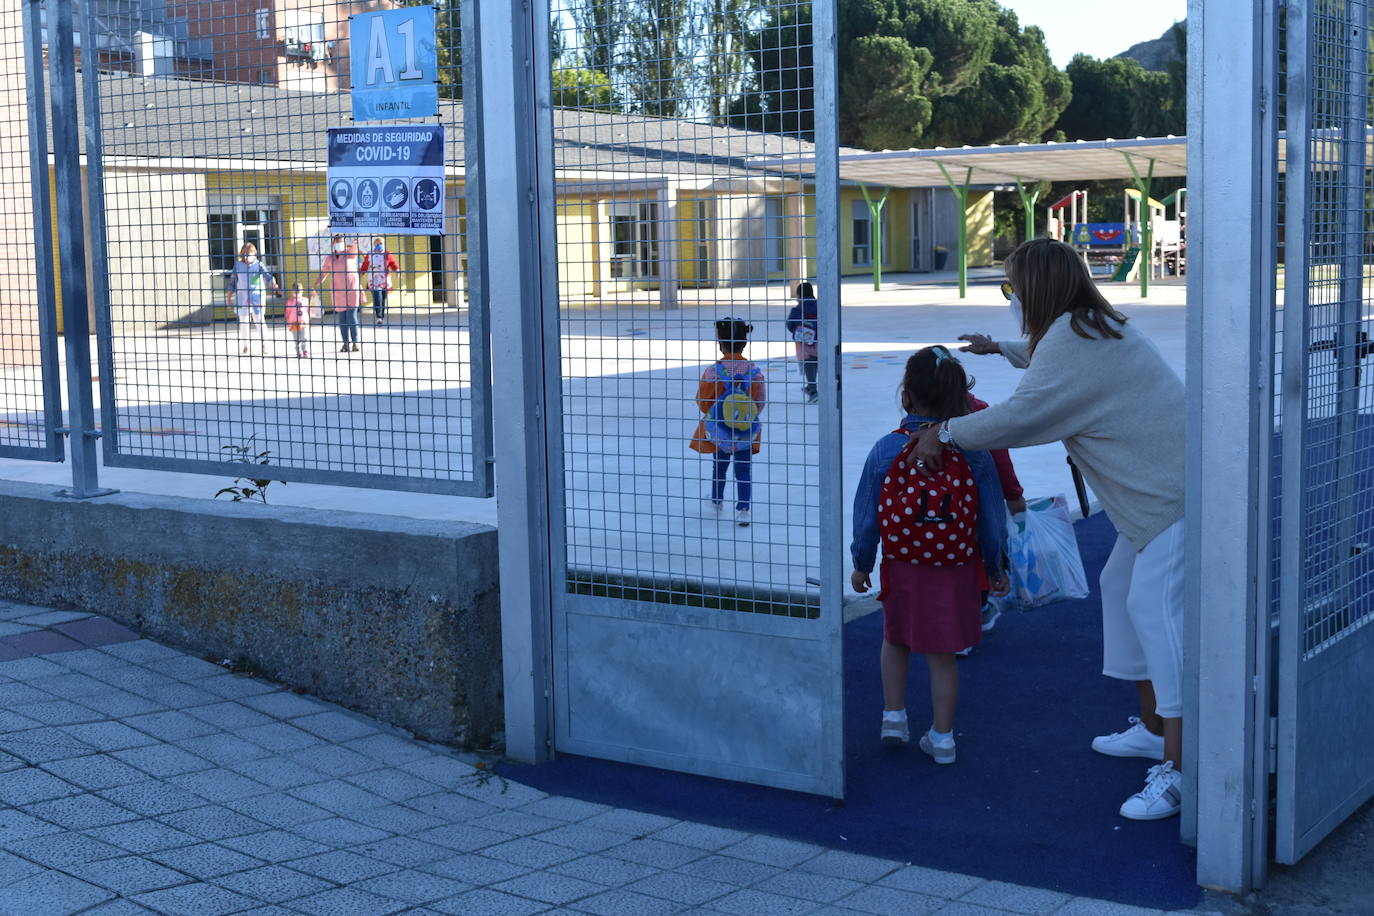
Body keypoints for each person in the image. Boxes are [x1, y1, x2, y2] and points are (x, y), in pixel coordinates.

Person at [908, 237, 1186, 820]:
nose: (1011, 298)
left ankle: (1184, 770)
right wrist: (1000, 348)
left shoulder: (1074, 339)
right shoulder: (1086, 324)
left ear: (1036, 290)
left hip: (1173, 503)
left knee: (1159, 619)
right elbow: (1043, 356)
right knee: (1121, 591)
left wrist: (946, 432)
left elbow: (1023, 414)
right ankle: (1158, 730)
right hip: (1163, 499)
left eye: (1012, 288)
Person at [851, 346, 1008, 765]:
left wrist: (862, 560)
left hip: (902, 563)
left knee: (895, 638)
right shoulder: (974, 452)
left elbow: (866, 511)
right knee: (942, 655)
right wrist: (995, 566)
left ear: (906, 396)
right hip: (954, 566)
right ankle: (942, 738)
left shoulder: (887, 449)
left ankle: (893, 717)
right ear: (961, 398)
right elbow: (991, 514)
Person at [690, 317, 765, 527]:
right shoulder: (754, 371)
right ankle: (743, 510)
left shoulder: (713, 371)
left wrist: (716, 413)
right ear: (745, 342)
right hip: (745, 429)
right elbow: (760, 401)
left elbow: (702, 400)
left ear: (720, 344)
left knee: (719, 466)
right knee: (743, 470)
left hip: (721, 430)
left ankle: (716, 500)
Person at [227, 242, 278, 355]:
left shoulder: (259, 265)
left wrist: (274, 285)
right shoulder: (238, 266)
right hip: (242, 296)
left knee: (259, 320)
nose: (247, 256)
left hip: (257, 296)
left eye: (249, 254)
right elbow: (232, 283)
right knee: (244, 321)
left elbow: (268, 276)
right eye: (244, 254)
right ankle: (246, 345)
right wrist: (229, 299)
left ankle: (265, 345)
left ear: (254, 253)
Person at [315, 235, 363, 353]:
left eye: (341, 241)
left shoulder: (350, 253)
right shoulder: (330, 258)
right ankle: (345, 343)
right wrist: (315, 284)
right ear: (333, 243)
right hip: (338, 291)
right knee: (342, 319)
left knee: (352, 317)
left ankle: (355, 342)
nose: (339, 243)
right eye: (337, 241)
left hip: (351, 289)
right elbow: (324, 273)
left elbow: (355, 247)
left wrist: (354, 240)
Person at [785, 281, 819, 403]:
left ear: (799, 295)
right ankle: (810, 388)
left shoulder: (797, 310)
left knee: (808, 365)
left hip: (803, 343)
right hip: (819, 341)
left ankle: (813, 390)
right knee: (816, 363)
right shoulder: (820, 306)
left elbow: (789, 325)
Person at [360, 236, 400, 326]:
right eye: (377, 244)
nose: (379, 245)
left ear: (384, 244)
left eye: (381, 244)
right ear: (374, 245)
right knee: (377, 296)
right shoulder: (370, 255)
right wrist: (360, 274)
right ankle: (378, 316)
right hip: (373, 280)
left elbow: (393, 264)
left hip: (384, 280)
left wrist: (397, 271)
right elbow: (365, 266)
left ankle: (381, 316)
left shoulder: (387, 254)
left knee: (383, 299)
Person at [283, 282, 311, 358]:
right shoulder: (290, 302)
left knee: (304, 338)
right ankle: (298, 352)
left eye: (299, 291)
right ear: (292, 292)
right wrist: (288, 323)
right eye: (295, 291)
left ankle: (305, 351)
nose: (297, 293)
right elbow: (287, 312)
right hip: (293, 322)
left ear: (302, 291)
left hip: (303, 322)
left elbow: (308, 310)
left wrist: (308, 320)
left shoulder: (305, 300)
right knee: (296, 339)